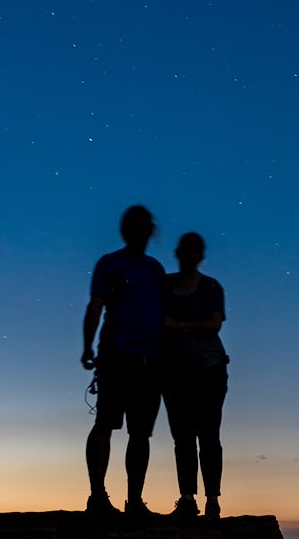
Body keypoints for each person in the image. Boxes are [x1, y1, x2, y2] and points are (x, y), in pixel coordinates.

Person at [81, 204, 166, 521]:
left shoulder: (155, 270)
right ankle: (98, 497)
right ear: (125, 230)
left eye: (144, 226)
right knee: (105, 425)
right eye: (134, 225)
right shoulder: (109, 264)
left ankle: (134, 501)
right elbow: (96, 304)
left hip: (150, 360)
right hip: (117, 355)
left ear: (149, 231)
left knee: (140, 432)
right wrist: (88, 346)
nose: (139, 231)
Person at [161, 232, 229, 521]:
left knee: (208, 435)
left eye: (194, 251)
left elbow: (214, 324)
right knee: (183, 438)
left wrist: (175, 324)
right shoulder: (163, 285)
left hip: (209, 369)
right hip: (174, 373)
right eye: (186, 251)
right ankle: (188, 499)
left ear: (200, 256)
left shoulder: (211, 287)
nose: (190, 256)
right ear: (178, 253)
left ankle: (212, 500)